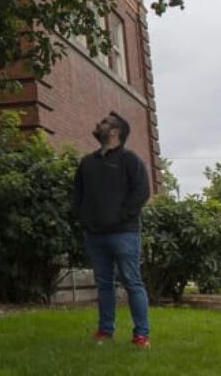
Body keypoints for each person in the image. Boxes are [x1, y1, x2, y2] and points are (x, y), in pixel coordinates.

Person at [73, 111, 152, 349]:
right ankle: (105, 331)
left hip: (124, 233)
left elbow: (141, 193)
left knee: (132, 282)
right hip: (94, 234)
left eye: (105, 123)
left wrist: (121, 217)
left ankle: (141, 335)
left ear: (115, 132)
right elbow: (77, 195)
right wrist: (83, 218)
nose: (99, 124)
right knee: (104, 284)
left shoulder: (130, 160)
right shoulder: (87, 162)